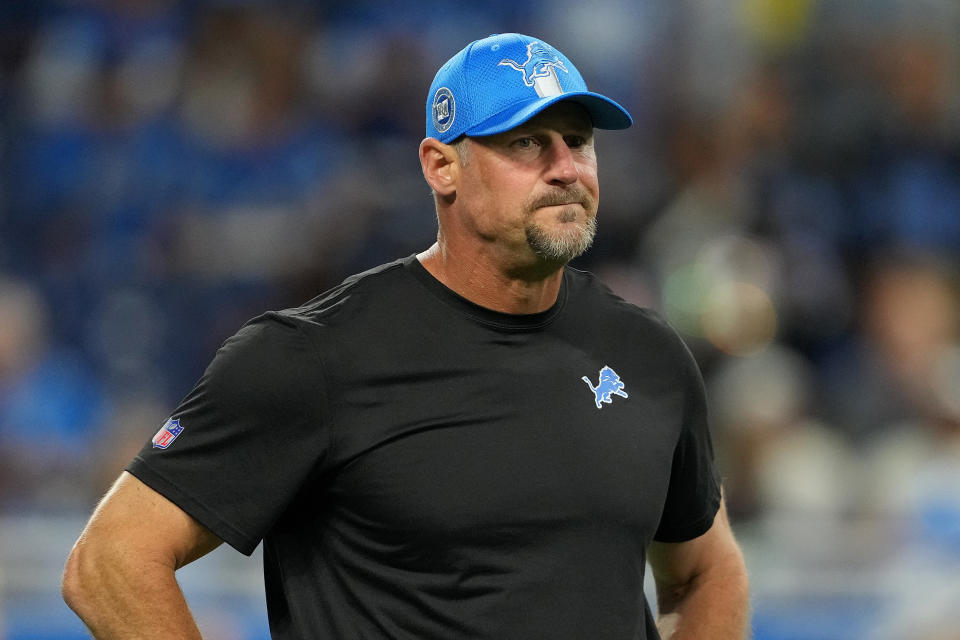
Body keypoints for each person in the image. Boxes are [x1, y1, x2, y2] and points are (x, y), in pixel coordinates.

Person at [62, 33, 750, 639]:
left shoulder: (648, 357)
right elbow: (110, 562)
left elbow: (706, 572)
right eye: (526, 142)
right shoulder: (316, 357)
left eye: (578, 141)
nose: (566, 167)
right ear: (440, 165)